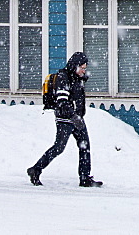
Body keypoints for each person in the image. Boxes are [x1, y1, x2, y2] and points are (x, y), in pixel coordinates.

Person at [27, 51, 102, 187]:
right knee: (59, 147)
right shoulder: (64, 77)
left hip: (77, 118)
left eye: (85, 68)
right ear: (74, 65)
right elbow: (62, 102)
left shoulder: (78, 78)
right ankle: (36, 169)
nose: (83, 71)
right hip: (65, 119)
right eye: (82, 68)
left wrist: (78, 116)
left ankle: (85, 178)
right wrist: (73, 116)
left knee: (85, 146)